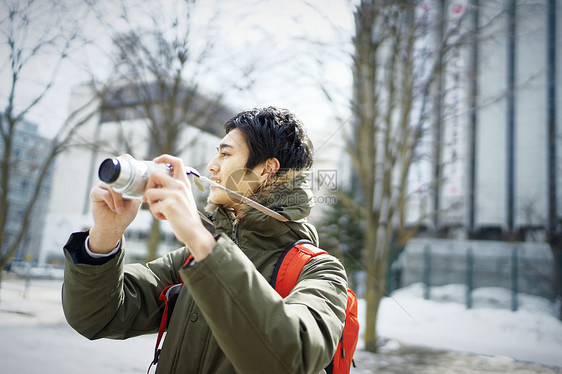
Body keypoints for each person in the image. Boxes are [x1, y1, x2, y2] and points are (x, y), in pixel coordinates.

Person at [62, 106, 349, 374]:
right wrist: (106, 233)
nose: (212, 166)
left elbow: (291, 360)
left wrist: (201, 239)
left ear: (266, 169)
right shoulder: (191, 259)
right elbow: (96, 317)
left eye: (225, 155)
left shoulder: (321, 271)